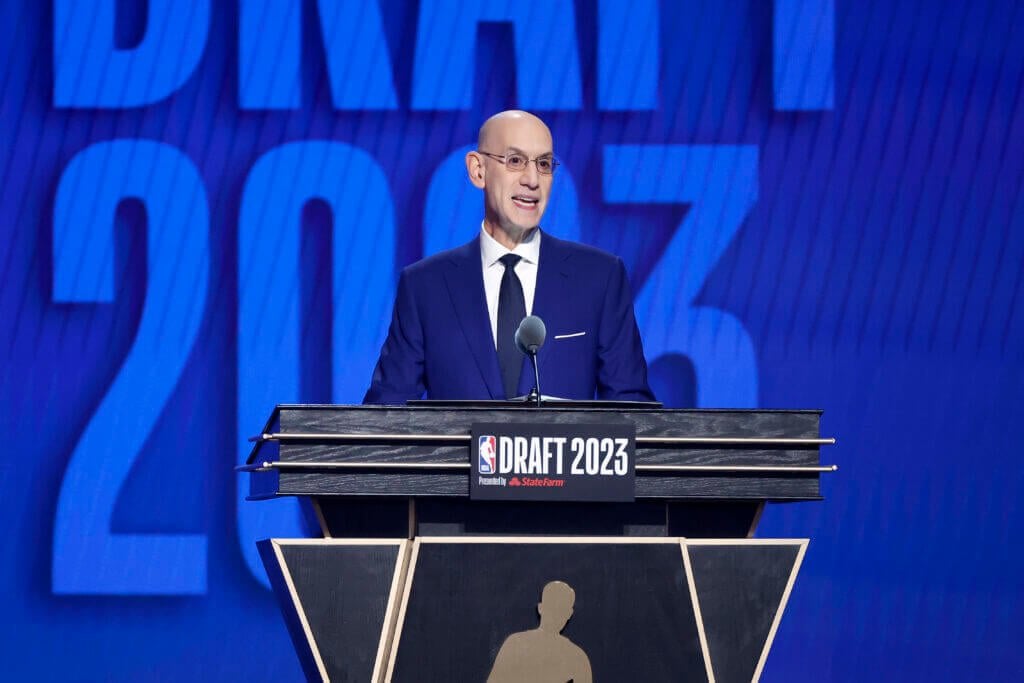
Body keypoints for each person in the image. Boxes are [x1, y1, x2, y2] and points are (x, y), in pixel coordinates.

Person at [363, 110, 653, 404]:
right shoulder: (425, 286)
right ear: (478, 170)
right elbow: (386, 412)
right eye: (515, 161)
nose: (532, 180)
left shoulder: (599, 278)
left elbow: (633, 412)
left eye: (543, 164)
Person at [487, 580, 592, 683]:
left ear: (569, 614)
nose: (555, 615)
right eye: (552, 608)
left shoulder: (577, 657)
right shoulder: (515, 643)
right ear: (540, 608)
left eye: (561, 609)